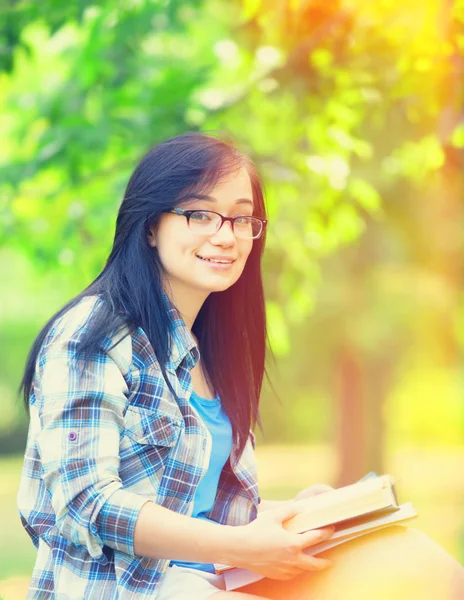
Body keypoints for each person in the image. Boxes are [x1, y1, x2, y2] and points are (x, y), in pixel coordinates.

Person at [17, 132, 464, 600]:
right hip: (128, 587)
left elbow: (199, 509)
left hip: (216, 575)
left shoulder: (208, 346)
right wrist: (244, 546)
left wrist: (285, 517)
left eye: (241, 218)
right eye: (200, 214)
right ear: (150, 226)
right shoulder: (92, 334)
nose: (226, 236)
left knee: (419, 563)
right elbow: (87, 502)